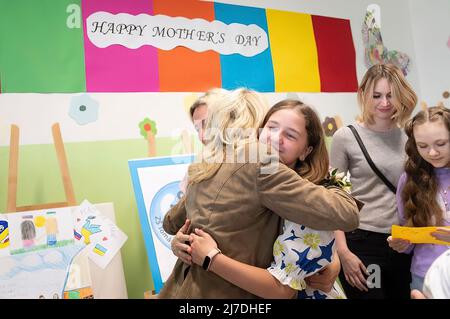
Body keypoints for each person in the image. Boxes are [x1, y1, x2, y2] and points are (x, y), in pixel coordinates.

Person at [158, 88, 360, 299]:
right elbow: (345, 213)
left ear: (306, 149)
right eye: (271, 127)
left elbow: (171, 222)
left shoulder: (210, 164)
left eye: (290, 134)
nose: (275, 137)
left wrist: (332, 260)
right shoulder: (258, 162)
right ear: (258, 126)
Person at [330, 63, 417, 299]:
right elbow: (333, 198)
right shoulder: (346, 137)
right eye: (377, 95)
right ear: (363, 95)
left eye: (391, 95)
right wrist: (343, 251)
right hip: (364, 243)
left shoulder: (410, 136)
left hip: (403, 243)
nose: (385, 103)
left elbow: (417, 190)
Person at [387, 106, 450, 293]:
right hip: (423, 275)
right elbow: (409, 230)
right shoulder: (409, 179)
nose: (432, 153)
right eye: (423, 146)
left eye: (441, 144)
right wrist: (402, 244)